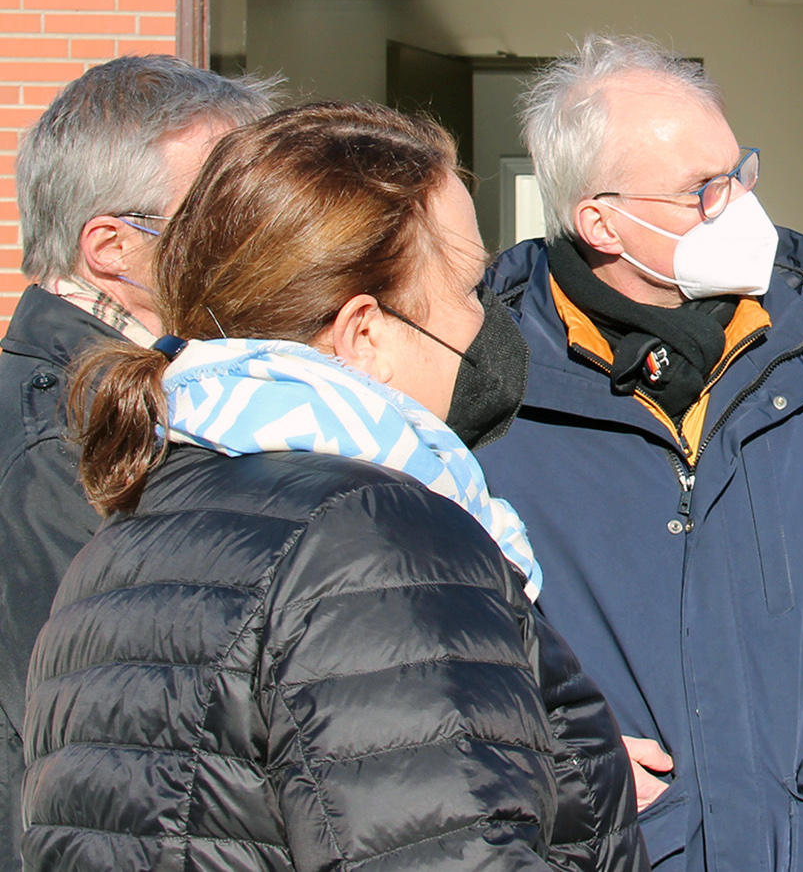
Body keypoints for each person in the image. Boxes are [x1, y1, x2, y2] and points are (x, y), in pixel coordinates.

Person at [20, 103, 646, 871]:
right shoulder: (380, 541)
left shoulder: (128, 529)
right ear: (364, 333)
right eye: (469, 287)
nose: (490, 323)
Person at [475, 36, 803, 871]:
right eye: (702, 189)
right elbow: (422, 632)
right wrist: (544, 755)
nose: (737, 205)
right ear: (600, 219)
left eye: (738, 172)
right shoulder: (485, 381)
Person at [0, 55, 273, 872]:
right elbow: (127, 750)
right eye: (222, 216)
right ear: (112, 247)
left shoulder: (141, 406)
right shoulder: (72, 445)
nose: (258, 239)